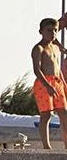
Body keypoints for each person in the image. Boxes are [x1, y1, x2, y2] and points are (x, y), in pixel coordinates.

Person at [31, 17, 67, 149]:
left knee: (64, 113)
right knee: (46, 115)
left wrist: (63, 83)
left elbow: (57, 68)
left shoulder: (56, 48)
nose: (52, 33)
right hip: (44, 83)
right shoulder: (38, 48)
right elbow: (36, 70)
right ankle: (46, 146)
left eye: (55, 31)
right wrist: (47, 85)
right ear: (41, 31)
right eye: (49, 30)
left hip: (57, 82)